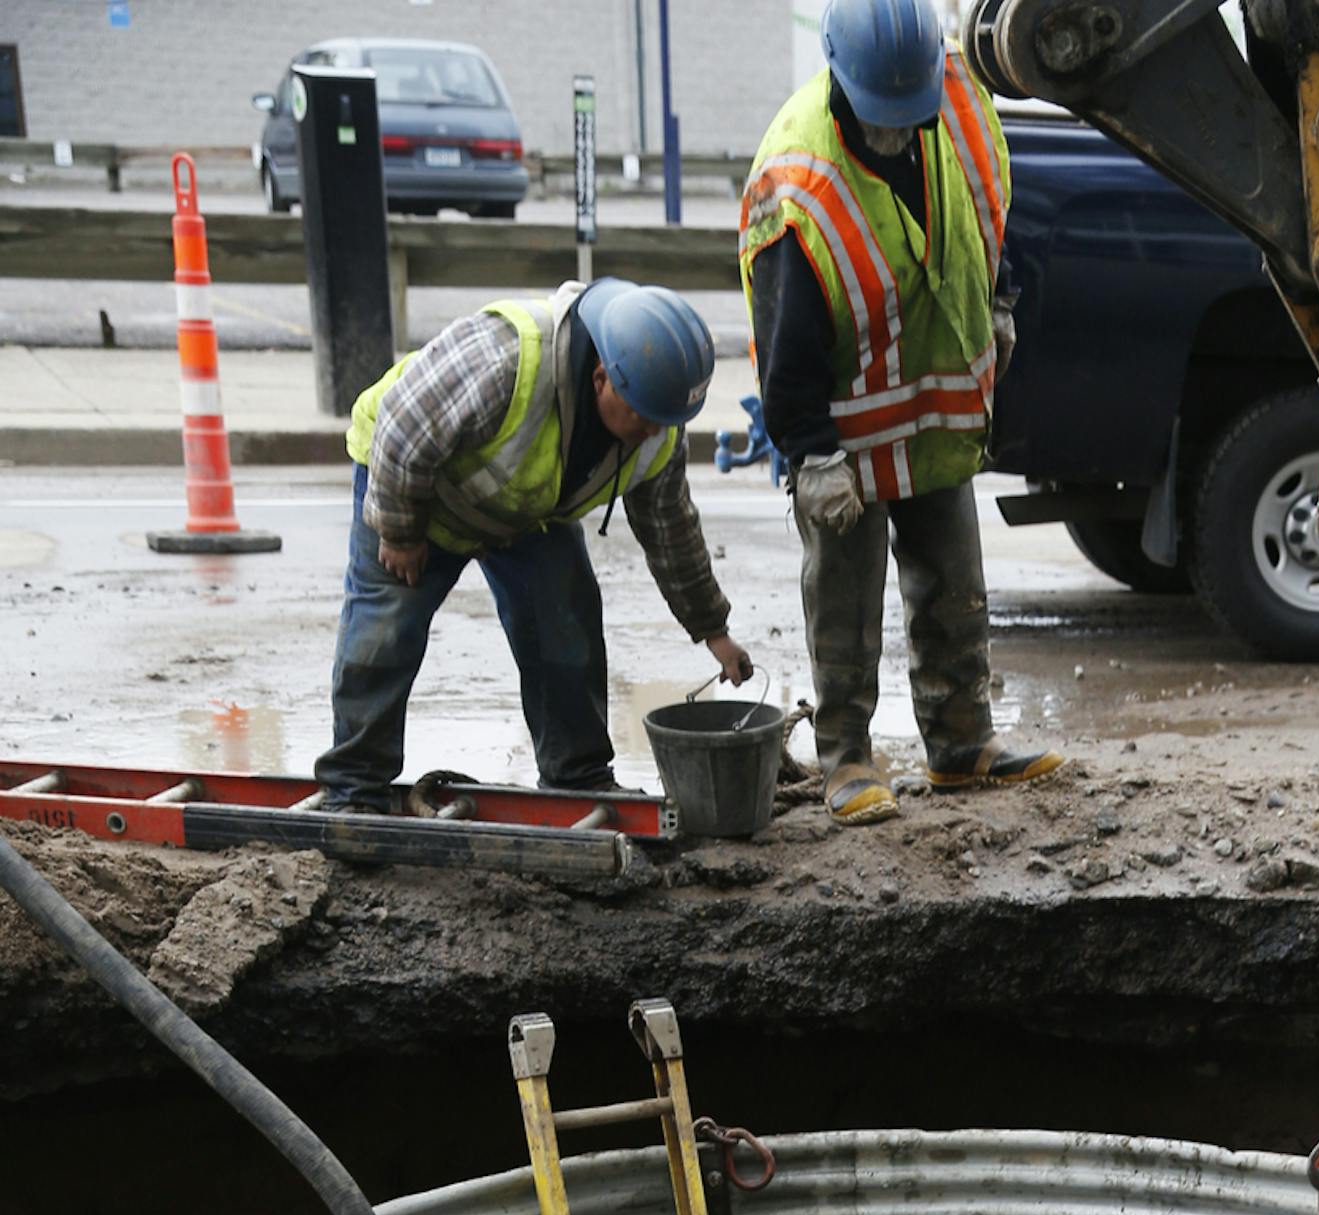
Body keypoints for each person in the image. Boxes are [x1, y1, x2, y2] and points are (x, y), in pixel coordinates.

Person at [741, 0, 1060, 827]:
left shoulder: (952, 101)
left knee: (954, 584)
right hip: (846, 429)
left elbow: (986, 207)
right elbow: (786, 339)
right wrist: (810, 454)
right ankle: (846, 754)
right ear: (840, 80)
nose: (896, 131)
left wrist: (1001, 299)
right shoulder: (798, 179)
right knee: (846, 601)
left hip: (935, 399)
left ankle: (961, 743)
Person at [318, 277, 752, 806]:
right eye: (643, 418)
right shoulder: (505, 360)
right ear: (600, 379)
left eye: (668, 422)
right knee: (385, 632)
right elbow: (402, 427)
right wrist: (399, 529)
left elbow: (672, 532)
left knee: (565, 627)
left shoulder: (655, 420)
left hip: (523, 514)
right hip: (416, 493)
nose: (653, 434)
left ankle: (578, 776)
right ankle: (355, 787)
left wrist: (713, 629)